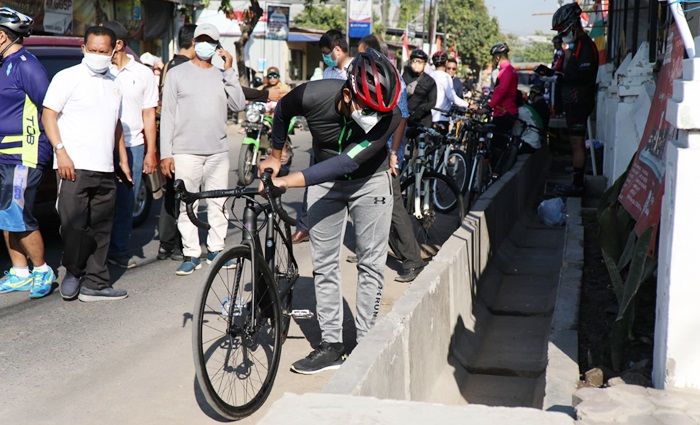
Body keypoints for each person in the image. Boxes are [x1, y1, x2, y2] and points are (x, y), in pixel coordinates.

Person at [260, 49, 401, 374]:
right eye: (366, 108)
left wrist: (289, 181)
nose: (373, 116)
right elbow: (282, 109)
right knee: (324, 265)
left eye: (378, 111)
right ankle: (332, 346)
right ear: (348, 94)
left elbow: (348, 162)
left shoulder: (388, 116)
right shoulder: (314, 93)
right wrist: (275, 155)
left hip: (370, 182)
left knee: (371, 265)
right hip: (325, 183)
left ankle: (366, 347)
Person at [42, 25, 132, 302]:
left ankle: (96, 282)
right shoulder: (67, 78)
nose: (97, 55)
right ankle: (73, 272)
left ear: (113, 50)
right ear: (83, 49)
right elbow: (49, 115)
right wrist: (61, 152)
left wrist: (123, 159)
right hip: (74, 167)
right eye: (92, 50)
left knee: (101, 228)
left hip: (105, 167)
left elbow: (115, 124)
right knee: (73, 226)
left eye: (103, 51)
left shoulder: (115, 83)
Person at [160, 23, 245, 276]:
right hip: (185, 151)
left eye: (211, 41)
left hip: (217, 151)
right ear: (194, 42)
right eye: (202, 40)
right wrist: (166, 153)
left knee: (218, 203)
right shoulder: (177, 73)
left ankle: (217, 249)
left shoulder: (221, 74)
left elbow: (238, 103)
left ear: (218, 46)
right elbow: (168, 115)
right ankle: (191, 253)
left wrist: (229, 70)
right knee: (188, 204)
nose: (205, 45)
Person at [357, 34, 427, 283]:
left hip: (386, 153)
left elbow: (402, 117)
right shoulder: (376, 72)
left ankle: (413, 261)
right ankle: (380, 253)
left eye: (361, 52)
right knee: (375, 206)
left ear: (371, 53)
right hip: (373, 150)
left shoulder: (389, 76)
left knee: (394, 207)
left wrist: (394, 153)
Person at [0, 7, 55, 299]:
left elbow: (49, 109)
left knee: (19, 214)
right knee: (5, 214)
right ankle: (20, 271)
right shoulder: (3, 64)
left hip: (25, 153)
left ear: (1, 36)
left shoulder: (27, 65)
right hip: (4, 154)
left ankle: (42, 268)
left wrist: (57, 148)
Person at [101, 21, 158, 269]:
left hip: (133, 145)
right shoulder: (98, 70)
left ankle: (119, 251)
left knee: (126, 202)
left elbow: (149, 114)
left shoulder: (143, 74)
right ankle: (96, 254)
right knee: (99, 204)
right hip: (101, 145)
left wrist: (151, 152)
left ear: (119, 44)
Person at [292, 28, 353, 244]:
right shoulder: (327, 73)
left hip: (347, 140)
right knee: (313, 180)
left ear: (337, 49)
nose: (325, 56)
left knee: (349, 187)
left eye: (327, 52)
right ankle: (304, 226)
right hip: (322, 139)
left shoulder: (354, 71)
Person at [538, 2, 598, 194]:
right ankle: (576, 180)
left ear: (573, 24)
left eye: (563, 30)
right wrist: (555, 73)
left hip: (580, 101)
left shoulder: (586, 46)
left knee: (577, 142)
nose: (562, 35)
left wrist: (561, 76)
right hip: (573, 102)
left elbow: (583, 75)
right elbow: (569, 72)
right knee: (574, 143)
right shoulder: (575, 46)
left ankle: (578, 184)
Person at [427, 51, 468, 135]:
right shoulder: (446, 77)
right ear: (446, 63)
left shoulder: (429, 75)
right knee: (440, 145)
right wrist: (468, 105)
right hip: (441, 117)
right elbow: (452, 97)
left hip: (428, 116)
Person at [486, 42, 519, 141]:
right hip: (505, 111)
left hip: (504, 113)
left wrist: (489, 106)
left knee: (496, 147)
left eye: (493, 58)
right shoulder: (509, 69)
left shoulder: (506, 71)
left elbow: (501, 91)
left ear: (497, 57)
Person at [403, 49, 437, 129]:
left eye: (419, 62)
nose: (416, 64)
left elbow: (432, 102)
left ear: (425, 64)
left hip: (422, 120)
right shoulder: (405, 76)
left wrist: (417, 113)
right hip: (404, 118)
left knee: (422, 140)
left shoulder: (430, 81)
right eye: (414, 61)